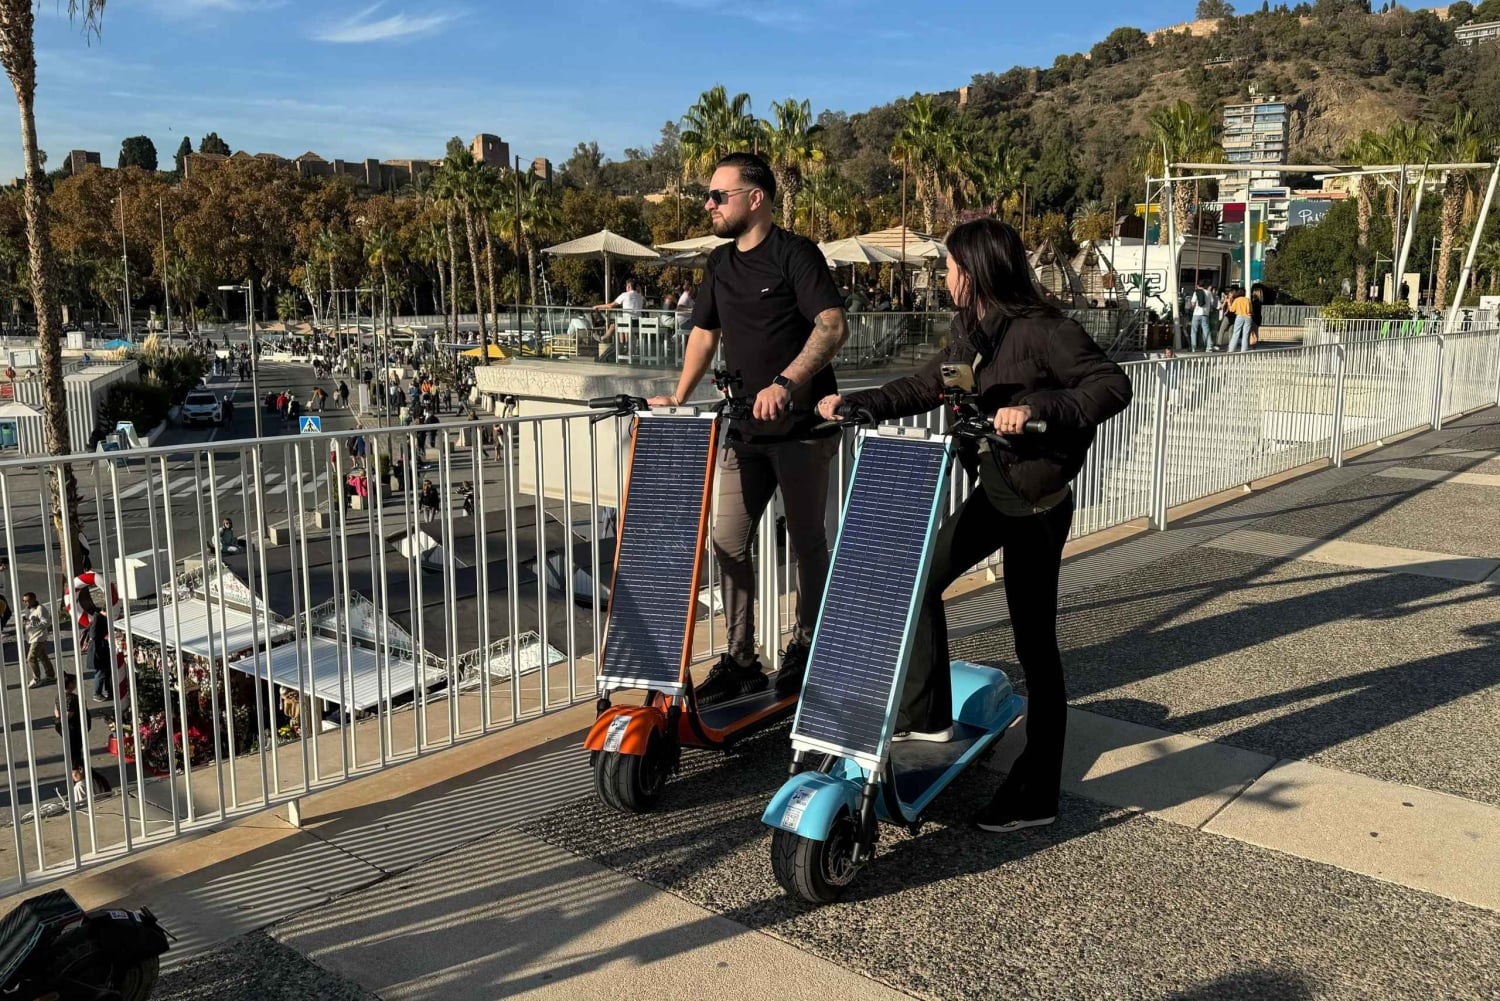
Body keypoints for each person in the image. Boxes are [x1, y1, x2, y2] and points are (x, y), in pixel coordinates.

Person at [817, 218, 1131, 833]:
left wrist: (1035, 410)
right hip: (994, 493)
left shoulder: (1047, 330)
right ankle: (928, 715)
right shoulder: (971, 330)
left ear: (979, 270)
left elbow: (1109, 386)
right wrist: (861, 403)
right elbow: (927, 383)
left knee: (1034, 646)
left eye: (953, 267)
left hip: (1037, 506)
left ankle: (1038, 792)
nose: (946, 276)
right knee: (917, 582)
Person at [648, 151, 849, 705]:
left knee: (808, 543)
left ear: (754, 198)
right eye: (708, 197)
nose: (709, 205)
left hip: (803, 428)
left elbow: (832, 326)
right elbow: (704, 335)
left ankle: (806, 647)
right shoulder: (719, 264)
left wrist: (786, 382)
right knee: (727, 540)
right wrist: (679, 394)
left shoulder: (796, 255)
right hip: (744, 430)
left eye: (719, 195)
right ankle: (741, 660)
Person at [55, 674, 111, 795]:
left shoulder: (59, 697)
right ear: (70, 684)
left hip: (67, 731)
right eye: (74, 682)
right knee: (75, 755)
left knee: (73, 754)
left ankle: (76, 773)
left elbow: (56, 712)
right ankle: (79, 774)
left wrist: (59, 722)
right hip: (75, 731)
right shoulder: (72, 699)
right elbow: (68, 715)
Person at [21, 591, 54, 689]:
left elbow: (47, 623)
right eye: (24, 601)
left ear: (33, 599)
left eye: (27, 601)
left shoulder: (41, 609)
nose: (25, 603)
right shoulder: (28, 609)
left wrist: (33, 623)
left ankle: (36, 679)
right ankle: (50, 675)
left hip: (38, 637)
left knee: (31, 658)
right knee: (42, 656)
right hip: (31, 636)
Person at [1190, 278, 1214, 352]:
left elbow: (1193, 303)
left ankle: (1193, 347)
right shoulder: (1209, 293)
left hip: (1196, 314)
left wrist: (1193, 308)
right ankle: (1209, 346)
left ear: (1198, 285)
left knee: (1194, 331)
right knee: (1206, 330)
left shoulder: (1196, 292)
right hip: (1205, 314)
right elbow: (1212, 303)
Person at [1227, 286, 1253, 352]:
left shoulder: (1237, 300)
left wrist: (1229, 303)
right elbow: (1250, 310)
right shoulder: (1248, 300)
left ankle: (1231, 349)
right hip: (1248, 317)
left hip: (1239, 316)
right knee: (1245, 334)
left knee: (1236, 333)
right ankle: (1244, 350)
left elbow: (1232, 310)